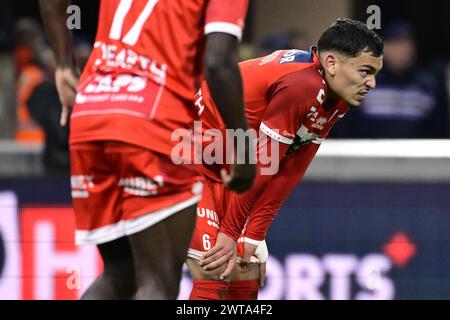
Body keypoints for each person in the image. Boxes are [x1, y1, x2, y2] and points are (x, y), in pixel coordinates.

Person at [39, 0, 255, 300]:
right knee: (158, 280)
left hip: (91, 113)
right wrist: (243, 146)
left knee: (120, 274)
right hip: (150, 121)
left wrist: (63, 63)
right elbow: (219, 64)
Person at [186, 18, 384, 300]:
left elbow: (291, 168)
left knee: (246, 271)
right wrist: (231, 233)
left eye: (375, 74)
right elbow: (267, 165)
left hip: (234, 170)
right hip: (192, 161)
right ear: (331, 64)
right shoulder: (301, 85)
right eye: (366, 71)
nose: (372, 83)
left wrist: (253, 235)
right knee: (214, 270)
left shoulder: (338, 96)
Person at [331, 22, 448, 138]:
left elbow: (438, 131)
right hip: (370, 154)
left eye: (406, 43)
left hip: (416, 155)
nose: (402, 50)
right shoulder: (364, 83)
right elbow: (347, 129)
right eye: (395, 43)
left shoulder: (428, 86)